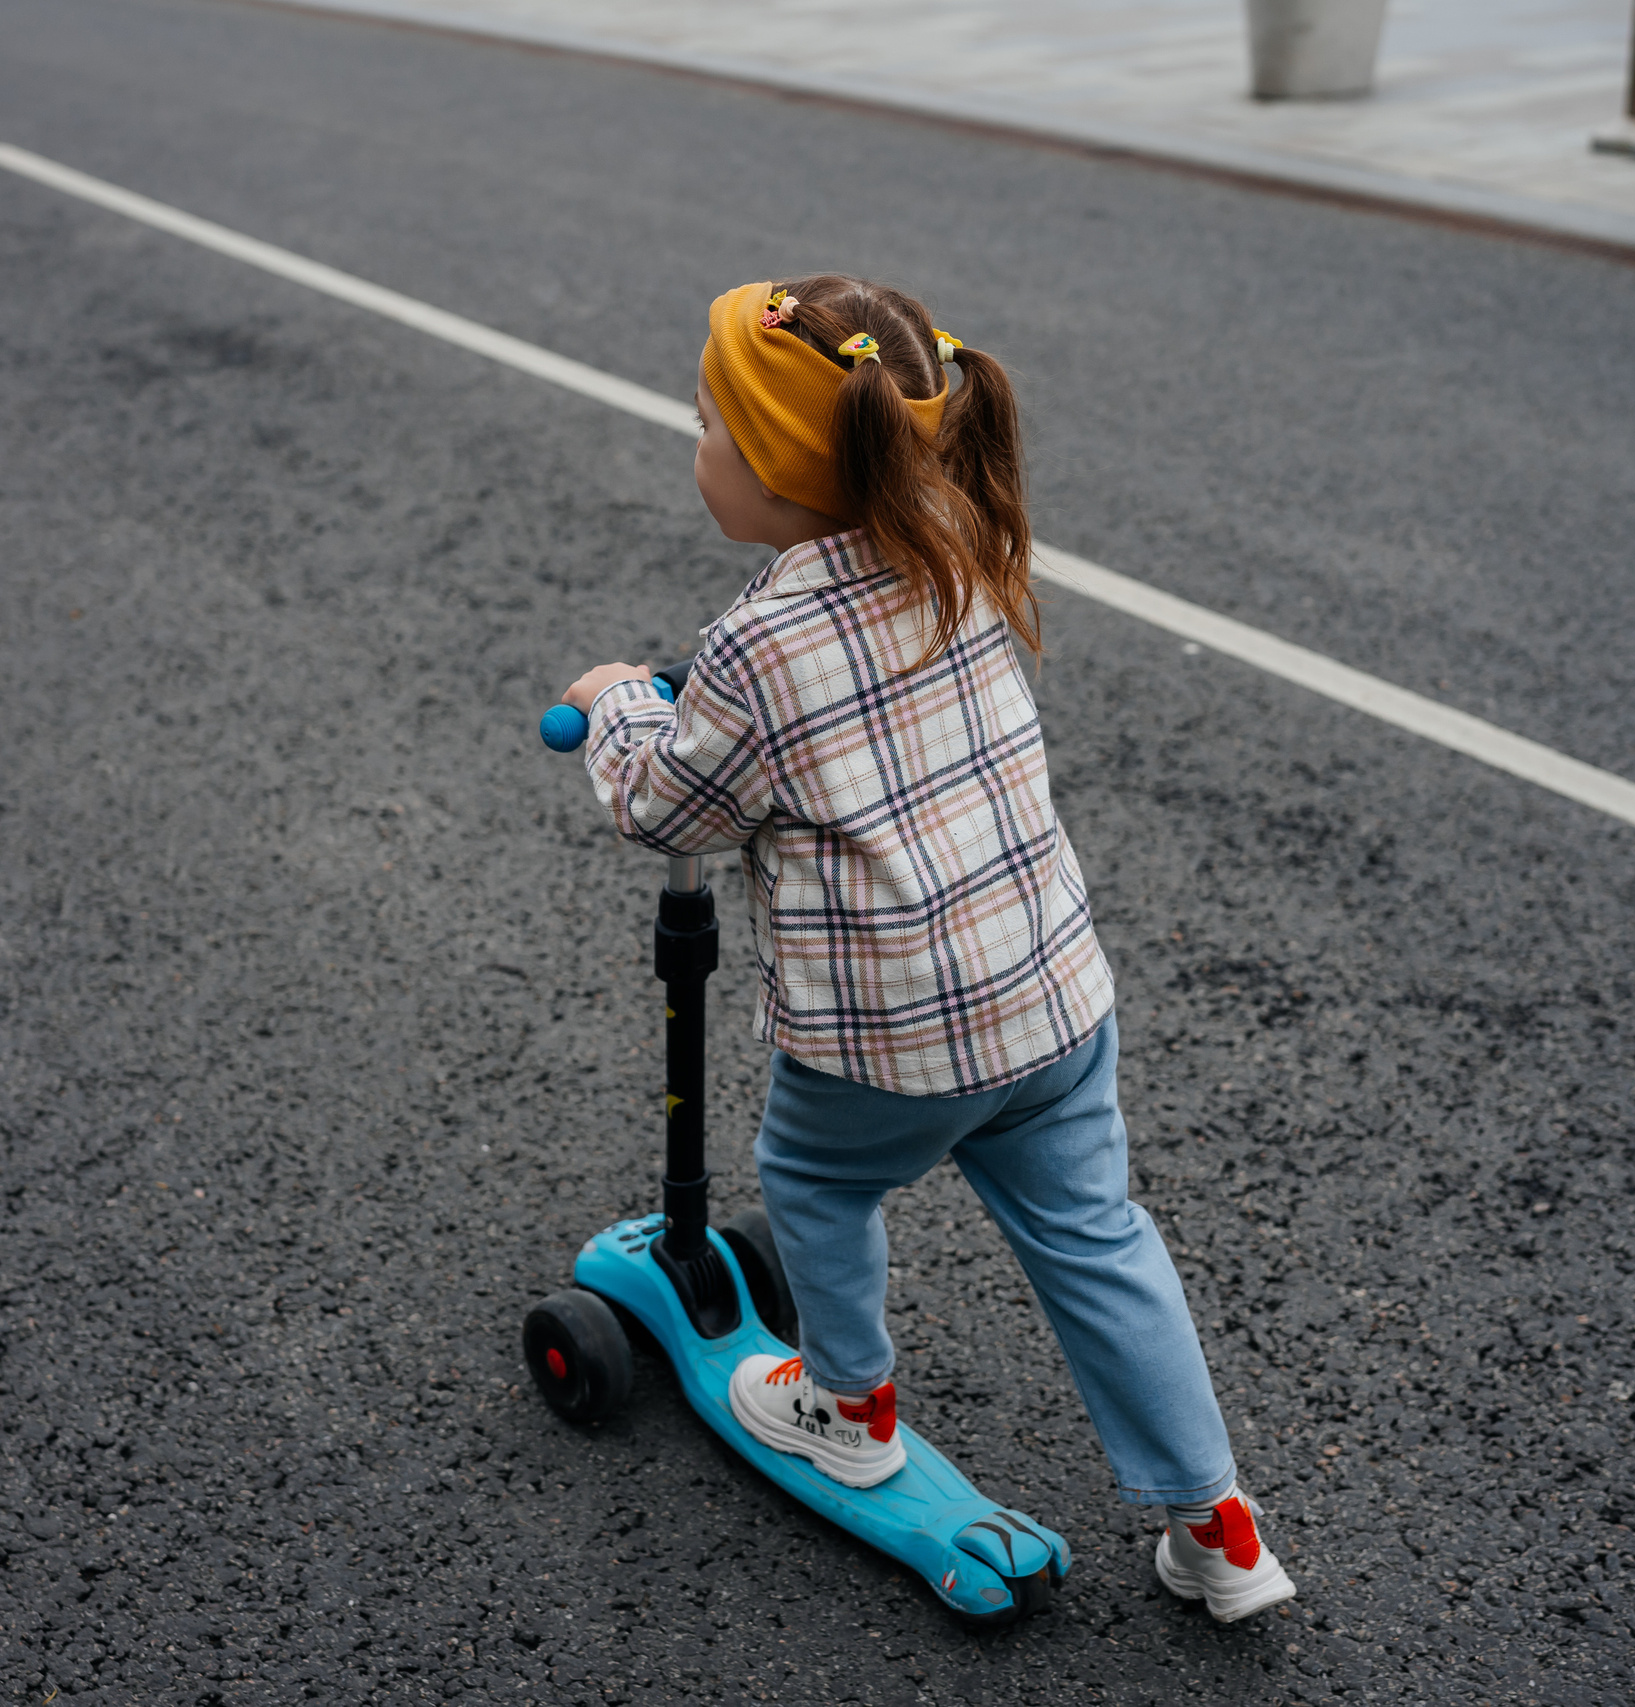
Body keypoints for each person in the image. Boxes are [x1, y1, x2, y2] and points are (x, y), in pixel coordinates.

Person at [553, 275, 1295, 1624]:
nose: (695, 445)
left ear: (776, 469)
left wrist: (617, 707)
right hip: (1053, 1000)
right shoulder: (959, 536)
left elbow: (669, 810)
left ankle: (849, 1408)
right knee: (1097, 1237)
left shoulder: (760, 643)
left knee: (816, 1182)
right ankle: (1220, 1527)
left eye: (708, 426)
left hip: (893, 1038)